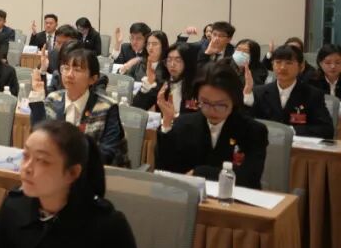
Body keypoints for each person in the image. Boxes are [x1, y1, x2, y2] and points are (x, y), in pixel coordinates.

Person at [0, 121, 139, 248]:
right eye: (25, 155)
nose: (27, 167)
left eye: (42, 161)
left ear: (72, 173)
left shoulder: (108, 226)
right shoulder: (14, 206)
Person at [156, 60, 268, 189]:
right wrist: (167, 123)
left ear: (234, 100)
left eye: (221, 105)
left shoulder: (253, 130)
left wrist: (200, 172)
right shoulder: (184, 124)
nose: (212, 111)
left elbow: (249, 178)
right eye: (205, 103)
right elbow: (165, 169)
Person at [28, 49, 130, 168]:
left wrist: (66, 160)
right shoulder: (53, 99)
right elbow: (39, 136)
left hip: (93, 173)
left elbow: (107, 153)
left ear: (93, 79)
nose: (69, 74)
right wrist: (37, 96)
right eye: (66, 68)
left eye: (77, 70)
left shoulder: (107, 107)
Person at [243, 44, 333, 139]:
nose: (282, 67)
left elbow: (326, 129)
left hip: (298, 146)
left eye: (289, 63)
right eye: (278, 62)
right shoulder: (259, 92)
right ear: (272, 65)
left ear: (300, 66)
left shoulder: (313, 94)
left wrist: (291, 131)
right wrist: (247, 96)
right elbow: (246, 123)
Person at [134, 42, 197, 114]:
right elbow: (136, 108)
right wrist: (148, 84)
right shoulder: (163, 82)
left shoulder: (195, 86)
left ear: (188, 62)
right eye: (169, 60)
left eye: (178, 60)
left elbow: (195, 116)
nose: (172, 64)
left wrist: (173, 116)